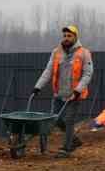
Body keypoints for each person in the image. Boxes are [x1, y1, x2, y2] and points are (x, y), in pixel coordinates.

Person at [33, 25, 94, 156]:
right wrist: (38, 87)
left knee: (69, 120)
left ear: (75, 37)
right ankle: (74, 140)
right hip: (59, 93)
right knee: (56, 120)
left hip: (74, 95)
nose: (66, 38)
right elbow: (48, 70)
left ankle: (66, 149)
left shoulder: (84, 53)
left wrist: (78, 90)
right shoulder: (56, 52)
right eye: (65, 36)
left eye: (69, 36)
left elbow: (88, 74)